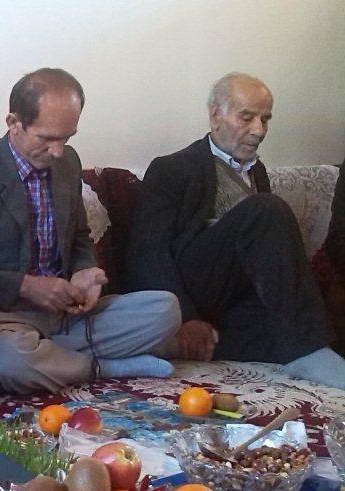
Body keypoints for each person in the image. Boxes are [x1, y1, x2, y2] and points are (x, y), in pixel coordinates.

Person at [0, 68, 180, 394]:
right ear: (14, 122)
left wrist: (84, 272)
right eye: (47, 139)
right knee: (6, 357)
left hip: (66, 317)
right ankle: (102, 367)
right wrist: (26, 286)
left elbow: (79, 236)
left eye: (67, 138)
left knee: (165, 310)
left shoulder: (67, 163)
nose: (58, 151)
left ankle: (51, 359)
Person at [126, 73, 345, 388]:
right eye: (247, 117)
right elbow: (148, 254)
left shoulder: (257, 171)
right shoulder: (171, 168)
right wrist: (185, 319)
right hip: (190, 288)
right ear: (215, 116)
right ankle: (307, 349)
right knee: (267, 210)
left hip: (231, 305)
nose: (259, 130)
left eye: (265, 120)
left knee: (278, 331)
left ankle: (300, 349)